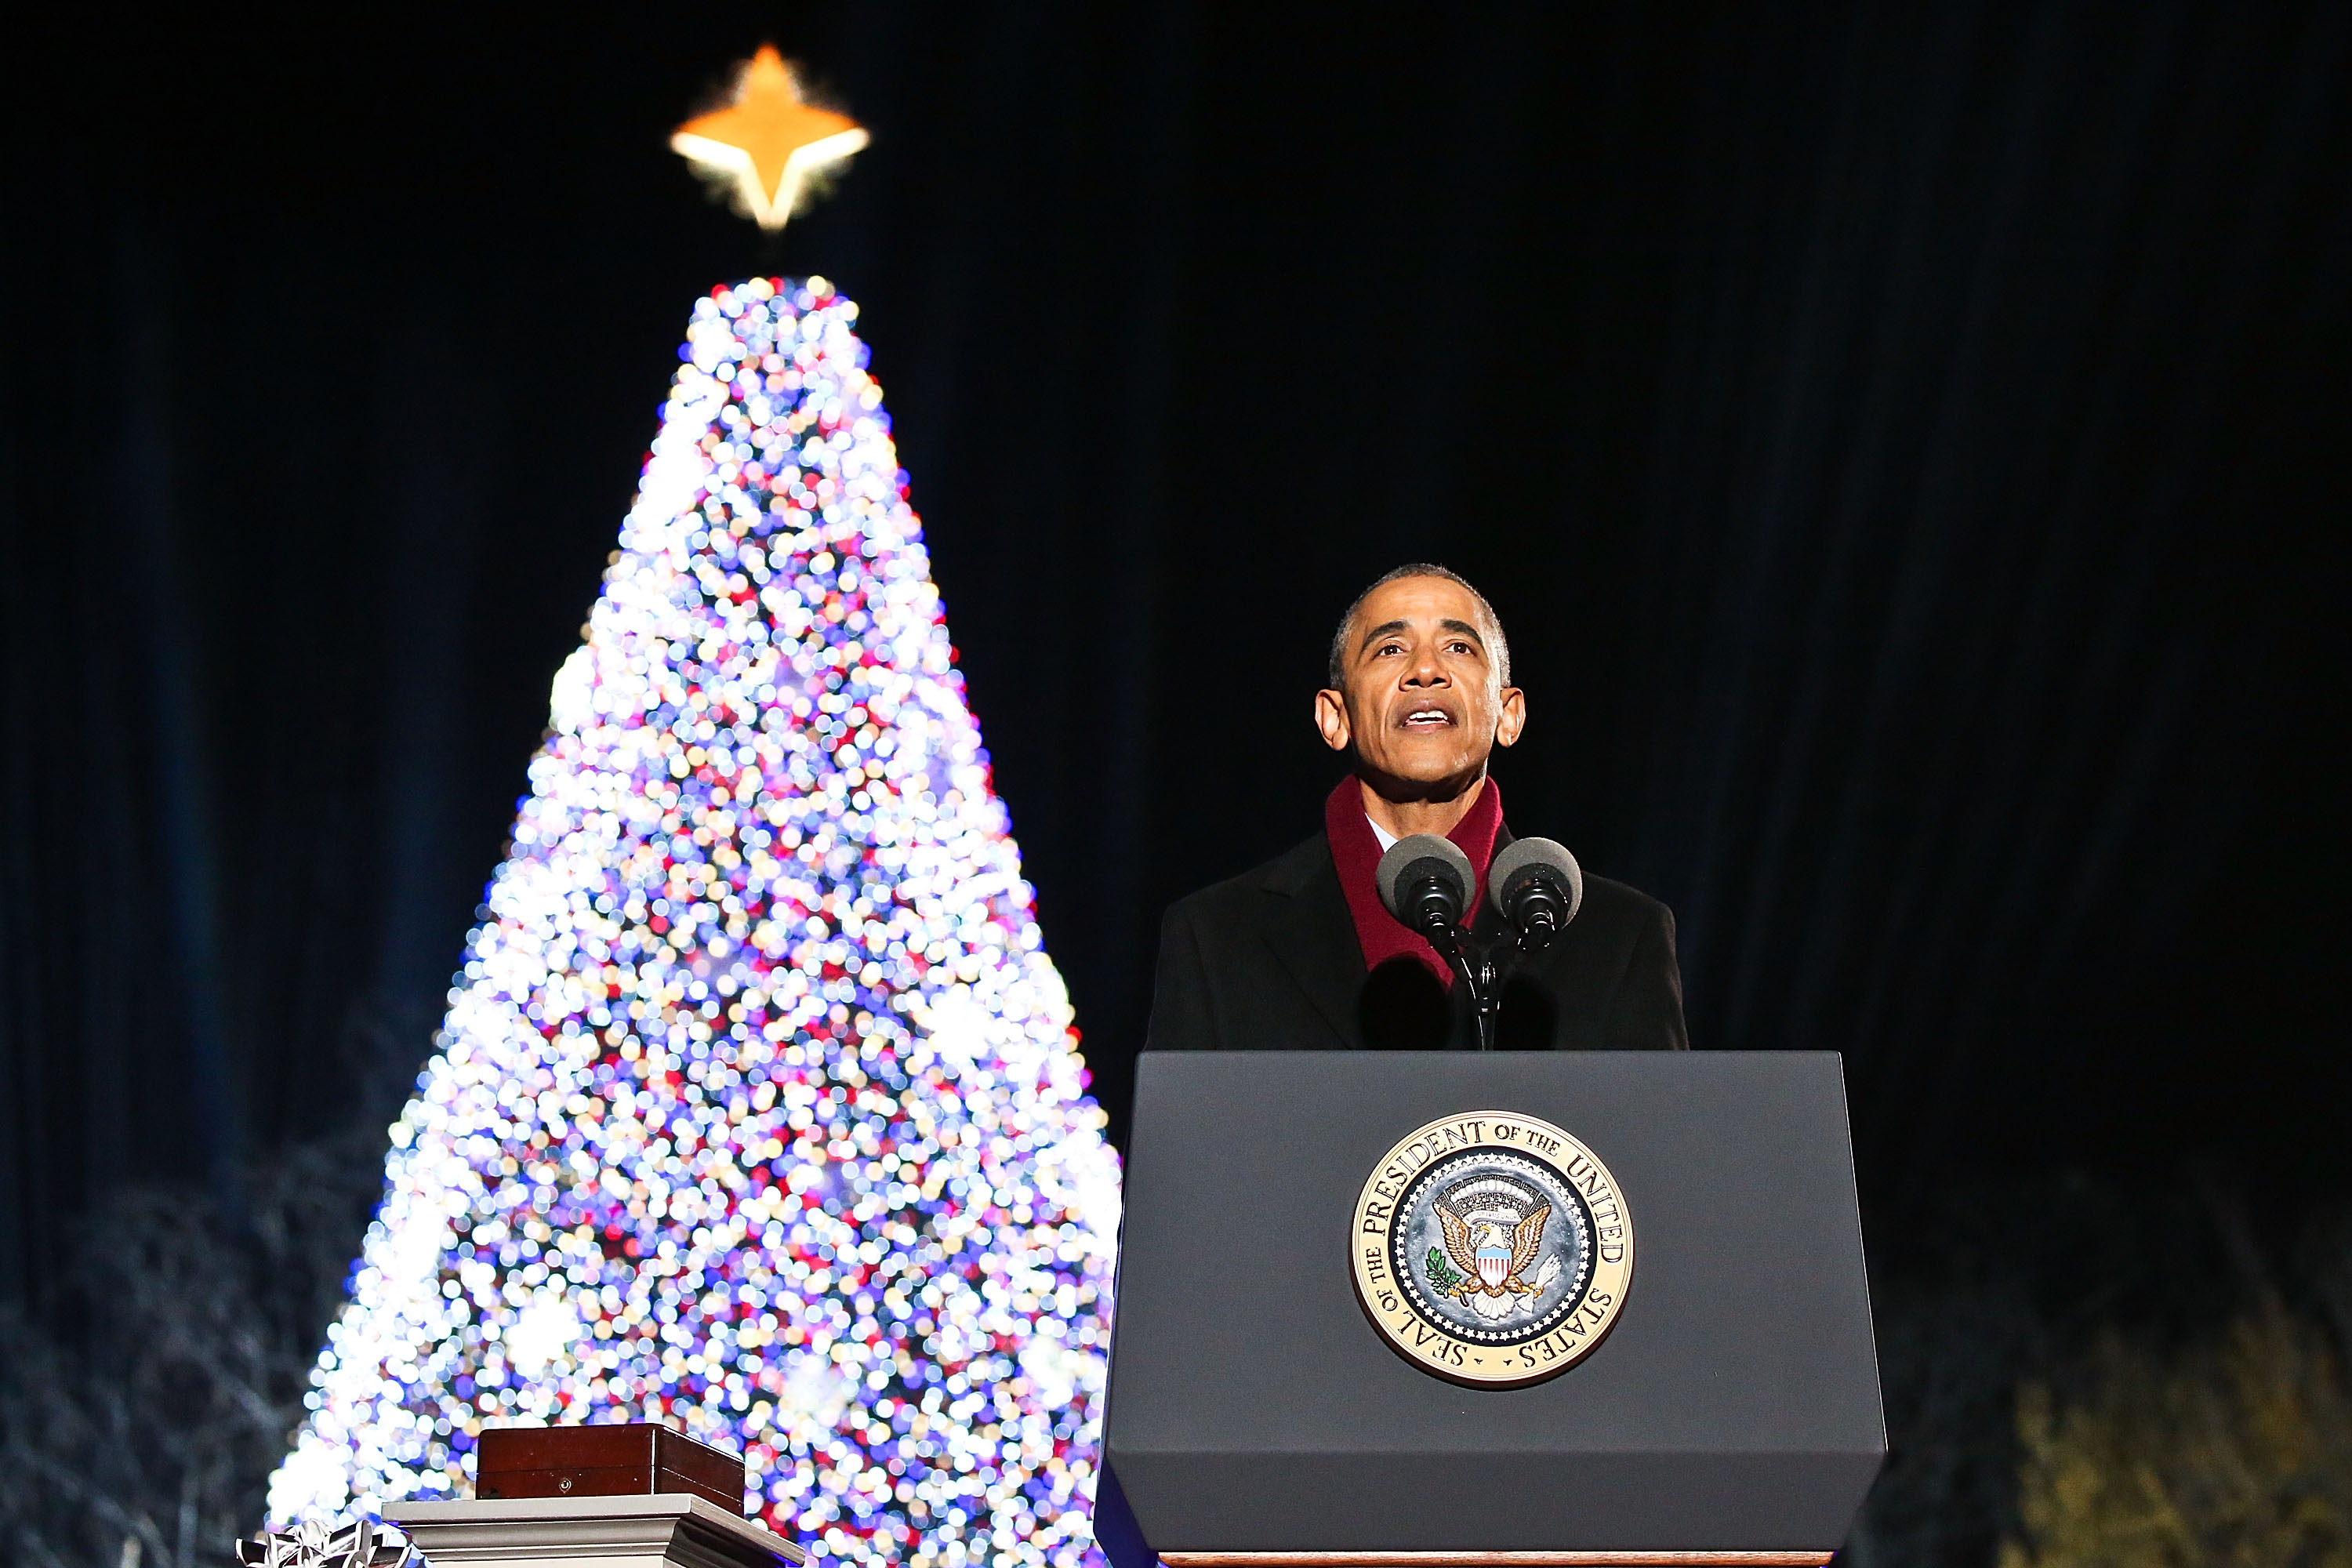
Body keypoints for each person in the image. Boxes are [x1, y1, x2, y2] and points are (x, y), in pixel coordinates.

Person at [1144, 563, 1689, 1052]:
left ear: (1508, 714)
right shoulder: (1216, 938)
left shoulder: (1620, 936)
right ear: (1335, 718)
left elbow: (1657, 1153)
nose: (1426, 671)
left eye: (1459, 648)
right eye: (1389, 649)